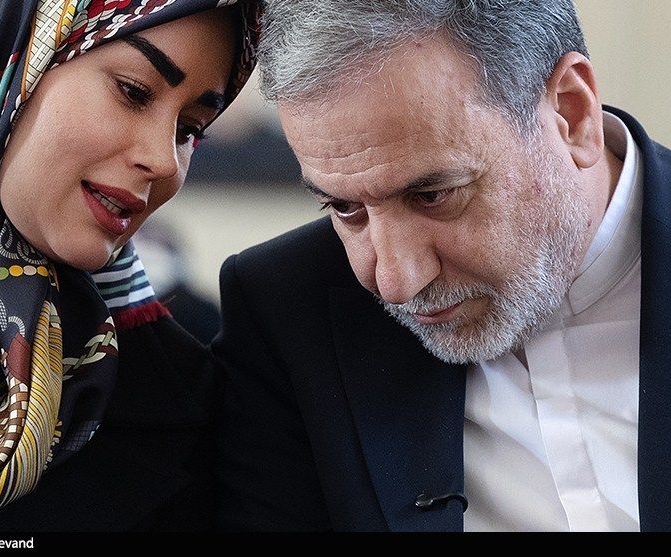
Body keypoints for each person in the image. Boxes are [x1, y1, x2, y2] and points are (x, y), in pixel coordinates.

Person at [213, 0, 671, 531]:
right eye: (345, 208)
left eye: (433, 195)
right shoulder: (288, 318)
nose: (395, 281)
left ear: (571, 115)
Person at [0, 0, 259, 532]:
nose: (164, 160)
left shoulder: (171, 385)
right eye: (134, 92)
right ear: (3, 53)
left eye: (190, 129)